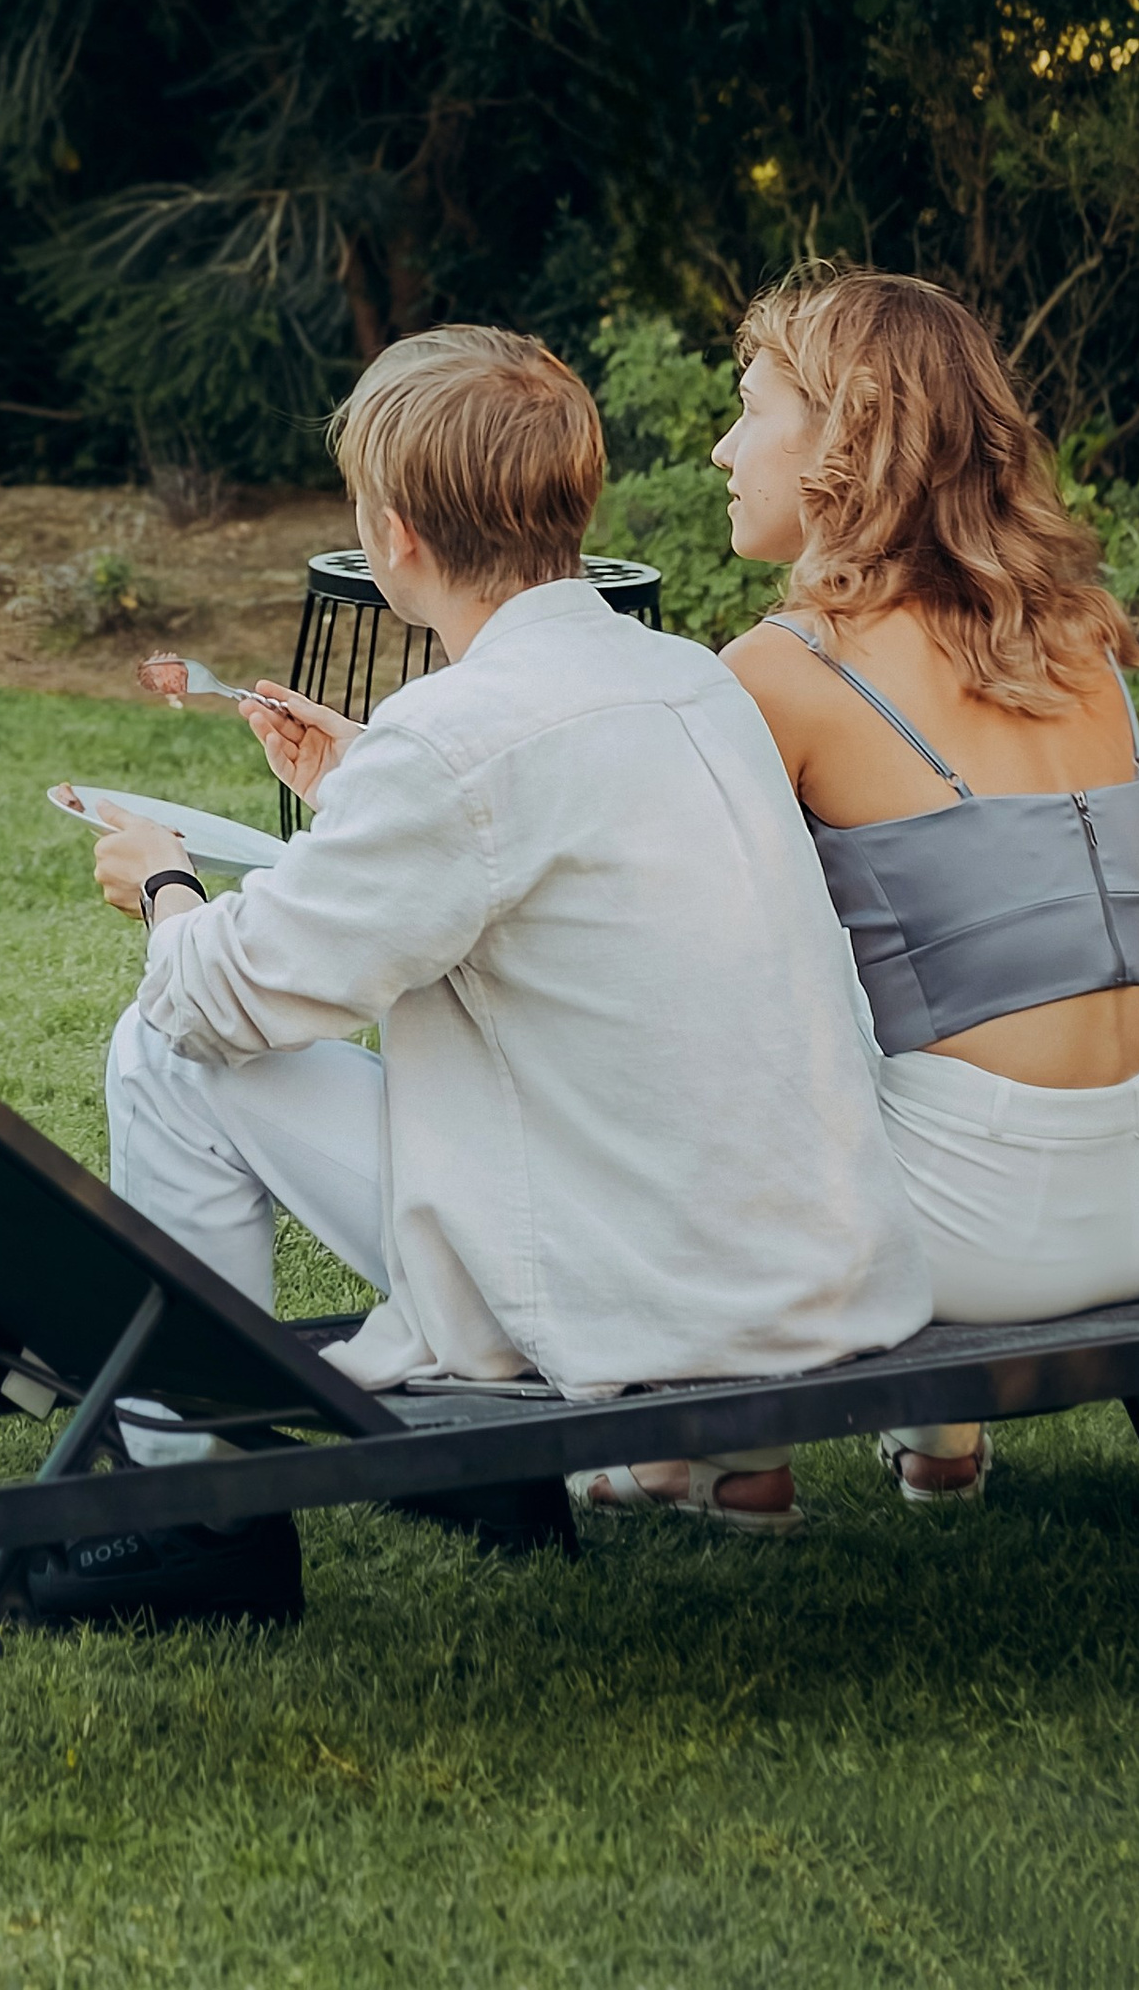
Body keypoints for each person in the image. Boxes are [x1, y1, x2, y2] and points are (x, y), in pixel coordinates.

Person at [71, 326, 930, 1622]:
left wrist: (167, 883)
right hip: (805, 1242)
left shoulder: (458, 735)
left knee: (167, 1042)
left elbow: (225, 993)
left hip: (638, 1282)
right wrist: (368, 777)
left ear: (396, 537)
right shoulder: (688, 677)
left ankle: (196, 1514)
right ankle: (461, 1478)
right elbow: (546, 845)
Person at [716, 264, 1139, 1504]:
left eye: (751, 408)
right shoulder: (1078, 627)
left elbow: (677, 954)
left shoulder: (784, 669)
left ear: (842, 438)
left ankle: (721, 1461)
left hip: (966, 1242)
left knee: (704, 1000)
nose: (725, 447)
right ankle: (937, 1442)